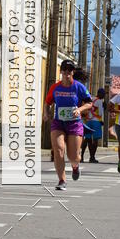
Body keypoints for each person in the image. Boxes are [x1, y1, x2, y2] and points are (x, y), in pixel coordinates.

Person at [43, 59, 94, 190]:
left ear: (73, 72)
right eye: (64, 70)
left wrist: (79, 110)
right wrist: (46, 113)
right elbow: (47, 102)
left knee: (73, 156)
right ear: (61, 72)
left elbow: (89, 103)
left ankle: (75, 167)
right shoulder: (55, 87)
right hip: (58, 122)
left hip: (74, 124)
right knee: (59, 150)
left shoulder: (79, 87)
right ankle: (62, 180)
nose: (67, 72)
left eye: (70, 70)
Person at [81, 87, 105, 163]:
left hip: (88, 121)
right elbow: (100, 113)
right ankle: (92, 157)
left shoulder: (91, 98)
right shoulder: (100, 101)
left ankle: (81, 157)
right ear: (101, 94)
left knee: (87, 139)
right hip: (96, 121)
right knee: (95, 140)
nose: (104, 96)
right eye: (103, 94)